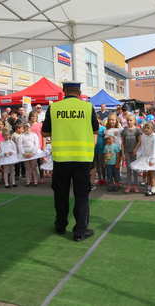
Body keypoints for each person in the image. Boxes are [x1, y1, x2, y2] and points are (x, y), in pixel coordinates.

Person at [42, 81, 99, 242]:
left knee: (61, 195)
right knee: (81, 195)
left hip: (61, 158)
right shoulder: (87, 107)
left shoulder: (54, 108)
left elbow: (45, 132)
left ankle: (60, 225)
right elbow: (95, 130)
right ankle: (80, 231)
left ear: (64, 91)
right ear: (79, 92)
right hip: (82, 158)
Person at [130, 121, 155, 196]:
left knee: (152, 174)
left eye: (148, 128)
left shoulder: (154, 138)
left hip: (152, 157)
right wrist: (139, 154)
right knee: (147, 173)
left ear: (152, 129)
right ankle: (149, 187)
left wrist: (153, 159)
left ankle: (153, 189)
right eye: (145, 128)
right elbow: (142, 146)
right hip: (145, 156)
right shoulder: (143, 136)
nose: (146, 129)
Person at [121, 115, 141, 193]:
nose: (129, 122)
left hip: (135, 153)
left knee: (135, 169)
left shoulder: (137, 130)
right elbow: (122, 143)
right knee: (129, 170)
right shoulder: (124, 130)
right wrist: (123, 153)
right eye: (128, 120)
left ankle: (135, 186)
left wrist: (135, 149)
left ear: (134, 121)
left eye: (131, 120)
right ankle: (128, 185)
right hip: (127, 152)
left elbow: (139, 141)